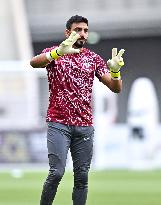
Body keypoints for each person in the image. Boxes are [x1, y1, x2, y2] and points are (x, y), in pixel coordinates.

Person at [30, 15, 125, 205]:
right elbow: (34, 63)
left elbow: (116, 88)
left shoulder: (93, 58)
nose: (82, 34)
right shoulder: (55, 53)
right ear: (68, 32)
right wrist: (58, 52)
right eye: (78, 30)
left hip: (84, 127)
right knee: (56, 173)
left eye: (85, 30)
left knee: (82, 177)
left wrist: (115, 71)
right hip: (58, 124)